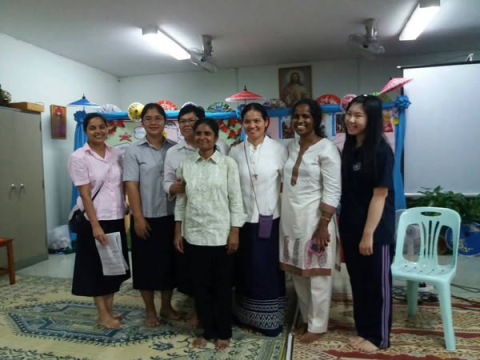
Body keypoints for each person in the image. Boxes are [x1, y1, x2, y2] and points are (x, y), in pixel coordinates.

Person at [174, 118, 244, 350]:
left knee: (222, 287)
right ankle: (207, 330)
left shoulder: (227, 164)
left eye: (207, 134)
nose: (202, 137)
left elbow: (235, 199)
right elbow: (181, 202)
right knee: (200, 287)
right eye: (199, 133)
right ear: (194, 136)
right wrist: (178, 231)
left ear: (215, 137)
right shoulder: (186, 165)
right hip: (194, 235)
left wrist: (234, 231)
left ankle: (223, 332)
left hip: (221, 235)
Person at [280, 99, 341, 344]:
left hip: (316, 221)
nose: (300, 121)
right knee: (299, 274)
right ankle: (306, 318)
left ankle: (319, 325)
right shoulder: (291, 146)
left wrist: (324, 223)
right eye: (296, 116)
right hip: (291, 220)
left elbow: (333, 189)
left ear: (316, 120)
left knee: (317, 276)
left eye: (306, 116)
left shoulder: (326, 149)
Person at [163, 104, 229, 328]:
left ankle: (219, 321)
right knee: (195, 273)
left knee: (219, 276)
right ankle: (198, 312)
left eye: (192, 120)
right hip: (192, 222)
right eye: (183, 121)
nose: (188, 125)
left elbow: (232, 191)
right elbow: (169, 184)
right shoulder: (174, 154)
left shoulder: (223, 150)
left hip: (219, 224)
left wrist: (234, 228)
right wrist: (174, 188)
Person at [339, 95, 395, 353]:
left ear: (370, 119)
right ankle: (364, 331)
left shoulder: (381, 150)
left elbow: (380, 195)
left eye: (358, 115)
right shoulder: (350, 149)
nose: (351, 119)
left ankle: (380, 337)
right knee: (358, 283)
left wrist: (368, 234)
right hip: (350, 227)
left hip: (374, 231)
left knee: (377, 285)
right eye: (349, 114)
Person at [67, 112, 130, 329]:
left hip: (116, 217)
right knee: (95, 269)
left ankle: (110, 311)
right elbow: (85, 194)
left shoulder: (116, 154)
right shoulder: (79, 157)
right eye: (92, 128)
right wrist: (94, 225)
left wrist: (125, 204)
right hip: (94, 220)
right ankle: (103, 315)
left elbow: (120, 184)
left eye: (101, 127)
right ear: (85, 131)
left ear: (107, 129)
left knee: (113, 267)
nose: (98, 131)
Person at [229, 103, 288, 336]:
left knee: (267, 270)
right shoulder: (234, 151)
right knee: (245, 269)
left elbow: (286, 186)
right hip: (242, 221)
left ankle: (270, 321)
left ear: (266, 122)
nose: (252, 125)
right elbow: (231, 189)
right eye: (247, 121)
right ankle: (245, 316)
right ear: (242, 124)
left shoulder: (280, 150)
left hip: (270, 220)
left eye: (257, 120)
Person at [123, 103, 179, 327]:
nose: (153, 122)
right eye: (148, 118)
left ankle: (166, 306)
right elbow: (131, 185)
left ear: (165, 121)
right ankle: (149, 310)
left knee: (169, 265)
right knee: (145, 266)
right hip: (144, 216)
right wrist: (137, 217)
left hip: (171, 216)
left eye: (158, 118)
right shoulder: (133, 151)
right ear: (142, 122)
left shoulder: (174, 149)